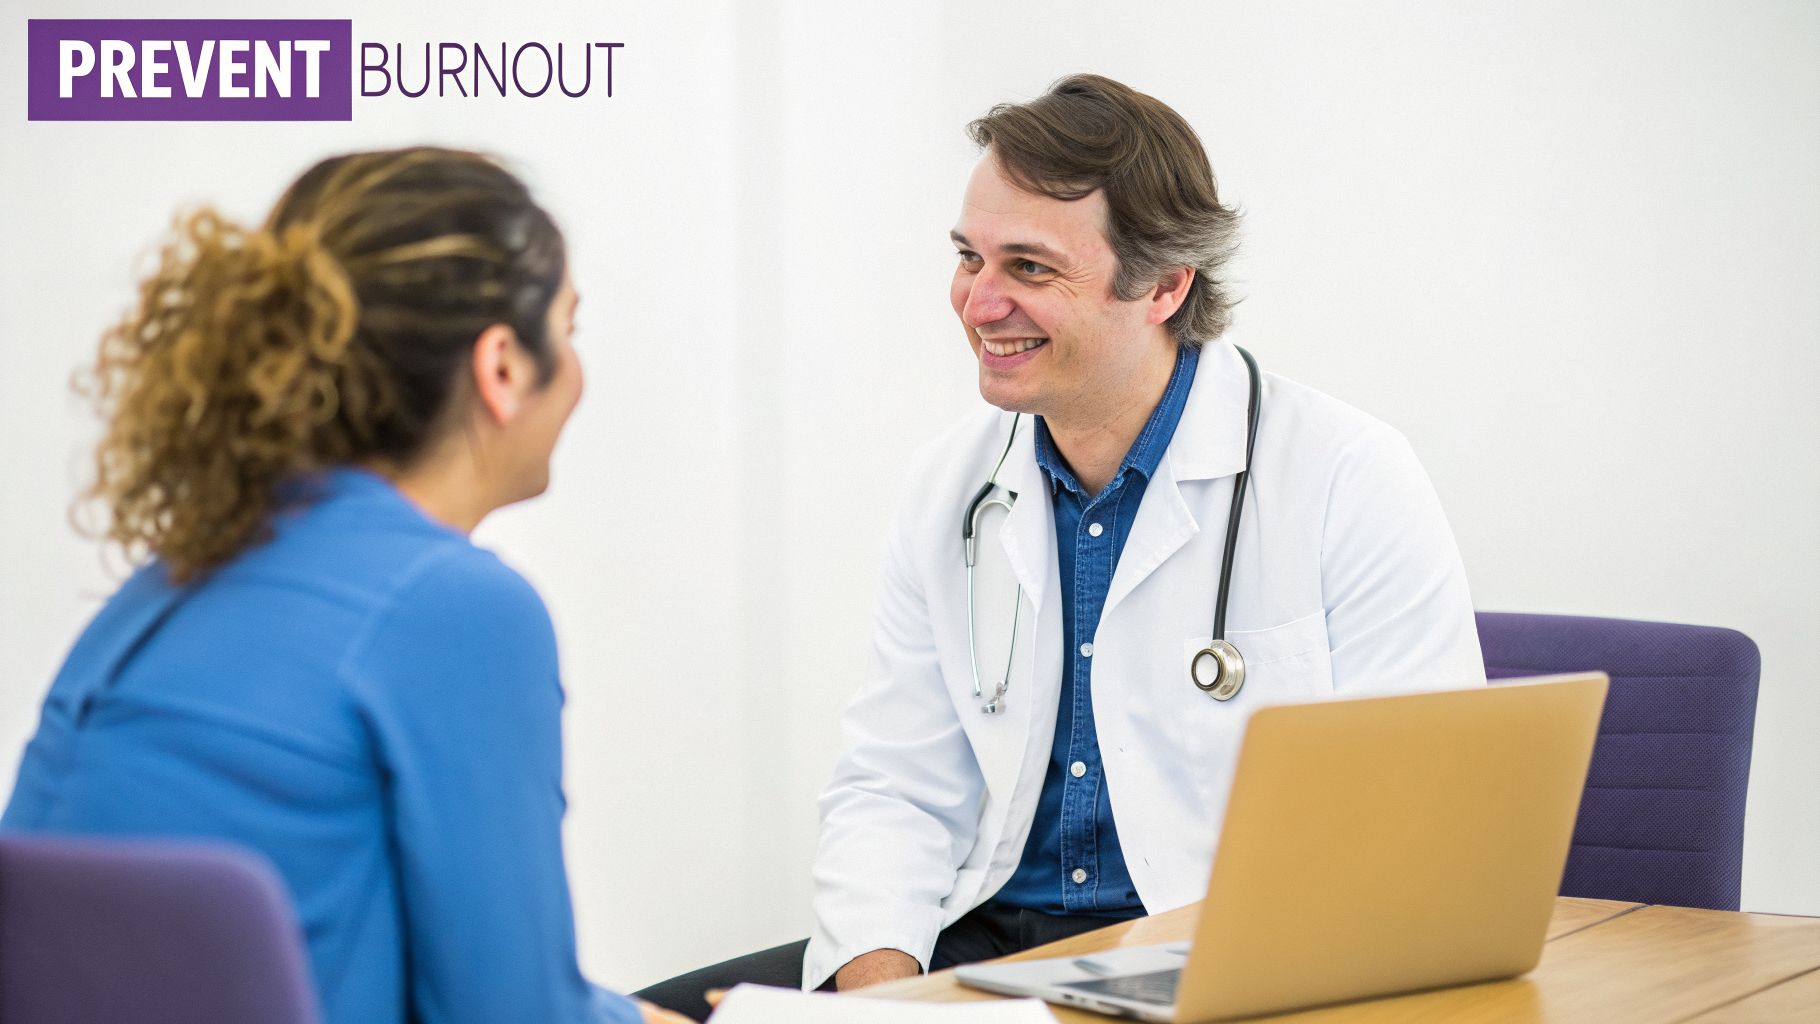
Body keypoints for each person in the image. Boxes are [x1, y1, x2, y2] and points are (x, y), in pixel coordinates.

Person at [634, 74, 1486, 1020]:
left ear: (1164, 285)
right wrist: (879, 1006)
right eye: (969, 257)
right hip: (984, 946)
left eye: (1030, 269)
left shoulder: (1343, 476)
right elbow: (895, 787)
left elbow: (1416, 833)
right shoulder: (952, 487)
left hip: (1211, 959)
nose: (978, 303)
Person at [2, 148, 688, 1024]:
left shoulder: (161, 590)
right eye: (571, 327)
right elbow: (508, 1014)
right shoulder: (458, 609)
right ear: (504, 367)